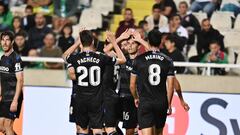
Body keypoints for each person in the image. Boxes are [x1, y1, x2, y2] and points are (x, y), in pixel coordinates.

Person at [62, 30, 126, 135]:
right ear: (92, 41)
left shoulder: (76, 58)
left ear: (81, 43)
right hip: (96, 100)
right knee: (97, 130)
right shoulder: (101, 57)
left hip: (80, 99)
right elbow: (122, 59)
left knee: (82, 130)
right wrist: (114, 42)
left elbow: (64, 56)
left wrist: (78, 42)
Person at [130, 30, 175, 135]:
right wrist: (168, 104)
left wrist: (136, 98)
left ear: (148, 41)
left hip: (145, 102)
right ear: (161, 42)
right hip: (161, 103)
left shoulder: (138, 60)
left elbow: (132, 85)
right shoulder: (168, 61)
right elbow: (171, 86)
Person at [0, 31, 24, 135]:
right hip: (5, 97)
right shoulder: (2, 58)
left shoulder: (16, 58)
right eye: (2, 40)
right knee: (2, 126)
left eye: (7, 40)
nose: (4, 43)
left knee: (8, 125)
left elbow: (20, 80)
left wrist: (15, 101)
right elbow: (2, 78)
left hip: (14, 96)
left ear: (12, 42)